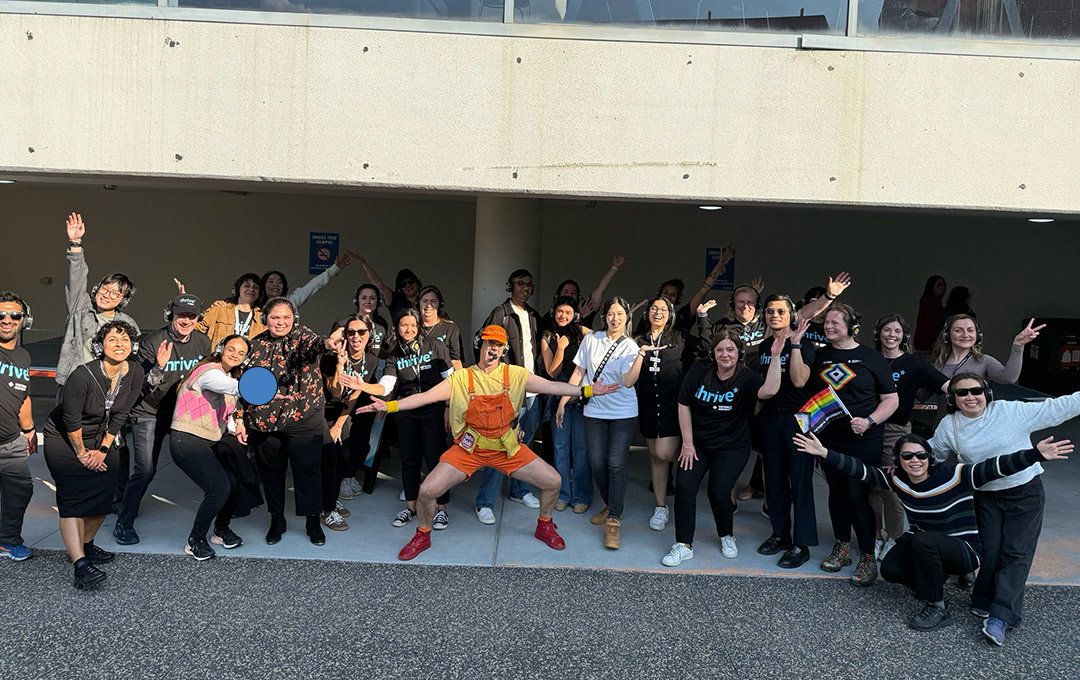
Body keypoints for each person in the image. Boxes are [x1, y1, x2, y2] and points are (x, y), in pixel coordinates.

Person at [358, 325, 620, 561]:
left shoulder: (515, 375)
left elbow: (551, 386)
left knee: (553, 481)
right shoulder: (461, 378)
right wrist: (388, 406)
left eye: (498, 345)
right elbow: (426, 397)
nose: (492, 349)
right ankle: (423, 534)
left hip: (506, 448)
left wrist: (587, 390)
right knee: (427, 491)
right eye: (488, 343)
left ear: (503, 350)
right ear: (480, 345)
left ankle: (544, 524)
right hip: (468, 450)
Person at [794, 430, 1071, 632]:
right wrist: (824, 453)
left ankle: (937, 606)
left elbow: (996, 467)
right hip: (929, 546)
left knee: (922, 540)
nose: (915, 460)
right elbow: (861, 470)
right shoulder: (897, 481)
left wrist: (1036, 455)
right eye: (907, 456)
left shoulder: (956, 475)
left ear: (930, 457)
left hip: (965, 550)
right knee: (890, 567)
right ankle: (933, 583)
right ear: (898, 460)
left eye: (921, 455)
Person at [929, 373, 1080, 645]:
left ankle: (1001, 616)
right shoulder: (950, 426)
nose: (970, 397)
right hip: (985, 496)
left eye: (976, 391)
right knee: (990, 551)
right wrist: (901, 462)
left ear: (986, 392)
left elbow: (1060, 407)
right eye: (962, 393)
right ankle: (983, 598)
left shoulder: (1011, 411)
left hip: (1025, 493)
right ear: (953, 398)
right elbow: (933, 456)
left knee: (1016, 553)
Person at [661, 330, 782, 567]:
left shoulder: (747, 377)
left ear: (739, 353)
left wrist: (776, 357)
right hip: (698, 444)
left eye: (730, 349)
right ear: (713, 353)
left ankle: (726, 535)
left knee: (718, 493)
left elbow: (769, 391)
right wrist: (687, 444)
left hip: (732, 447)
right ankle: (683, 544)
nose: (725, 354)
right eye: (719, 350)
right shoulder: (700, 370)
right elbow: (683, 403)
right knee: (685, 487)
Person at [43, 321, 144, 589]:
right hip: (65, 437)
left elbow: (122, 414)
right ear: (100, 346)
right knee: (72, 500)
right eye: (112, 340)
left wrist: (102, 450)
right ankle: (80, 565)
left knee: (103, 495)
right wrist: (82, 455)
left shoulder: (135, 372)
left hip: (101, 437)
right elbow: (71, 420)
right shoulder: (82, 375)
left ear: (133, 346)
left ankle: (85, 545)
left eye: (125, 340)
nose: (119, 344)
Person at [557, 297, 662, 549]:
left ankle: (614, 518)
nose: (615, 319)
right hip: (594, 410)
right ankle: (611, 504)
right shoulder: (591, 339)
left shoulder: (631, 346)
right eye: (611, 314)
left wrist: (640, 355)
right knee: (596, 463)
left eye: (620, 314)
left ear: (627, 317)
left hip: (623, 412)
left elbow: (628, 381)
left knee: (616, 463)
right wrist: (562, 401)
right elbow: (578, 373)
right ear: (604, 316)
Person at [809, 303, 898, 585]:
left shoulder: (871, 358)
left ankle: (868, 556)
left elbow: (891, 399)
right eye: (826, 322)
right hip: (829, 439)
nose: (829, 326)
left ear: (851, 327)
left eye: (835, 322)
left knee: (857, 494)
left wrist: (870, 421)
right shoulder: (820, 356)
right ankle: (842, 547)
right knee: (836, 493)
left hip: (863, 439)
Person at [244, 297, 344, 547]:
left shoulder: (302, 337)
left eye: (286, 317)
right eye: (275, 317)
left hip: (303, 417)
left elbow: (316, 344)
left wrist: (329, 343)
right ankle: (277, 519)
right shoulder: (254, 345)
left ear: (294, 319)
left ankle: (312, 521)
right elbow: (245, 382)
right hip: (266, 420)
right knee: (271, 473)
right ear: (265, 319)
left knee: (308, 471)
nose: (281, 322)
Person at [113, 294, 212, 545]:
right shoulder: (152, 342)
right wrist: (158, 367)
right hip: (149, 412)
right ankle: (124, 522)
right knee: (145, 470)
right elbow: (139, 388)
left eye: (191, 316)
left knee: (210, 460)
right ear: (170, 315)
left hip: (182, 412)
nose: (186, 320)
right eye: (181, 315)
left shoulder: (203, 342)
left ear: (198, 318)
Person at [871, 314, 949, 557]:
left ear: (904, 336)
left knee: (892, 487)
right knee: (869, 487)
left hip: (896, 430)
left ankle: (895, 538)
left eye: (897, 331)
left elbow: (946, 385)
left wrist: (972, 398)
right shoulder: (868, 359)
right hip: (866, 429)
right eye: (887, 330)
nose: (891, 335)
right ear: (878, 334)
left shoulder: (914, 364)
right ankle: (875, 535)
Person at [169, 335, 252, 561]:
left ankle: (220, 531)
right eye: (231, 349)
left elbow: (227, 411)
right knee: (219, 487)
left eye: (241, 353)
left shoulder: (229, 377)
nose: (235, 354)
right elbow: (229, 386)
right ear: (221, 348)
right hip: (186, 439)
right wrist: (259, 388)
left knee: (234, 483)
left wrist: (236, 427)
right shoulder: (208, 371)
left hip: (210, 441)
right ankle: (195, 540)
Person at [473, 269, 544, 522]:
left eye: (529, 285)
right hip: (508, 391)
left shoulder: (533, 316)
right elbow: (481, 343)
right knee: (498, 443)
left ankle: (519, 490)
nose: (525, 288)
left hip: (532, 392)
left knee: (523, 444)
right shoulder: (501, 313)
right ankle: (485, 502)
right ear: (509, 286)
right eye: (520, 283)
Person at [753, 295, 816, 568]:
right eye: (770, 311)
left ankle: (802, 544)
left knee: (800, 481)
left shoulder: (805, 343)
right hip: (771, 417)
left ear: (791, 314)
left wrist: (795, 344)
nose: (775, 315)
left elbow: (800, 381)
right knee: (774, 479)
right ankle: (780, 534)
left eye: (781, 311)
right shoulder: (764, 345)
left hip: (800, 417)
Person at [382, 308, 454, 530]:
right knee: (409, 460)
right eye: (404, 325)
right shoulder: (395, 353)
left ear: (419, 326)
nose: (409, 329)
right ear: (397, 327)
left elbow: (451, 381)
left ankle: (441, 509)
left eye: (413, 325)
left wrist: (448, 408)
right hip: (407, 411)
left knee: (435, 460)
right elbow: (387, 384)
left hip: (433, 410)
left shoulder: (435, 345)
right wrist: (367, 387)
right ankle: (411, 508)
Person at [57, 213, 140, 392]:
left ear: (123, 300)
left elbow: (133, 356)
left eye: (115, 293)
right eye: (105, 289)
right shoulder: (80, 308)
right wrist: (76, 244)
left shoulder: (128, 323)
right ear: (96, 288)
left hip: (111, 387)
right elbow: (77, 280)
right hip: (75, 383)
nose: (107, 295)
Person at [633, 297, 688, 532]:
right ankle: (660, 506)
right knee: (655, 456)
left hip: (672, 405)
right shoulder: (639, 339)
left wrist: (703, 319)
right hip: (647, 403)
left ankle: (684, 496)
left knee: (665, 453)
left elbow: (704, 349)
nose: (658, 312)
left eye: (663, 309)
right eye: (654, 308)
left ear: (671, 314)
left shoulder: (679, 337)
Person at [540, 296, 590, 513]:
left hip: (580, 391)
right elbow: (552, 372)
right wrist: (560, 348)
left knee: (581, 447)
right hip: (559, 388)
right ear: (554, 312)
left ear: (575, 314)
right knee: (560, 445)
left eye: (568, 312)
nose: (563, 316)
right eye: (560, 311)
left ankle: (581, 496)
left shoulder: (582, 332)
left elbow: (604, 340)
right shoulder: (547, 336)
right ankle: (562, 494)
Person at [330, 315, 386, 501]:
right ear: (345, 335)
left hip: (356, 404)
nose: (356, 336)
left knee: (362, 443)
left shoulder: (371, 361)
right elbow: (335, 392)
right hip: (333, 406)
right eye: (351, 332)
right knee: (343, 443)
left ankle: (350, 474)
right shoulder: (332, 357)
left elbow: (356, 393)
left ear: (369, 335)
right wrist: (339, 366)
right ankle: (341, 478)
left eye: (361, 332)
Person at [0, 292, 37, 561]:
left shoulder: (23, 356)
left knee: (20, 492)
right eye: (0, 314)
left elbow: (23, 395)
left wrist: (30, 430)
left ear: (25, 320)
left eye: (14, 315)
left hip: (11, 441)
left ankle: (7, 541)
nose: (7, 320)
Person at [931, 314, 1041, 392]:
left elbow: (1009, 378)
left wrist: (1018, 345)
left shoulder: (984, 361)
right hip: (945, 419)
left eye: (970, 330)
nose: (965, 335)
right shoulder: (938, 363)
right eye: (958, 330)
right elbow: (924, 395)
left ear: (978, 336)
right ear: (947, 336)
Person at [540, 252, 631, 330]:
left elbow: (600, 289)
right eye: (566, 292)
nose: (570, 295)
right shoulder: (549, 316)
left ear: (578, 296)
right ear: (558, 295)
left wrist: (614, 267)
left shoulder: (586, 308)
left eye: (573, 293)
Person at [261, 250, 356, 309]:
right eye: (271, 281)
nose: (275, 285)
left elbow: (314, 285)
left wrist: (334, 269)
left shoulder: (291, 301)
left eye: (280, 282)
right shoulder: (256, 304)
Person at [198, 273, 266, 349]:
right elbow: (197, 329)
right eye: (247, 286)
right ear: (238, 289)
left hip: (247, 356)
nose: (251, 289)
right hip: (219, 356)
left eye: (256, 287)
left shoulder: (262, 317)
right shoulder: (219, 309)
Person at [354, 253, 423, 320]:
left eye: (411, 282)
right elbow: (380, 285)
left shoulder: (426, 299)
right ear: (400, 288)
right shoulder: (395, 301)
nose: (408, 286)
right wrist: (364, 263)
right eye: (403, 285)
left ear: (417, 283)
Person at [417, 285, 465, 371]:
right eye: (424, 301)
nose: (428, 305)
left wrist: (460, 378)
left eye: (433, 301)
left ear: (440, 304)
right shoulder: (411, 328)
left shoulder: (450, 328)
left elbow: (456, 360)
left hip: (443, 376)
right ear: (418, 304)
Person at [353, 283, 391, 358]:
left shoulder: (381, 325)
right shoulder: (345, 323)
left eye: (372, 298)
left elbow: (380, 351)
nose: (368, 302)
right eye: (364, 298)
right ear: (357, 301)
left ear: (378, 302)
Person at [913, 275, 947, 353]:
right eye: (939, 285)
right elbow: (932, 324)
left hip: (927, 343)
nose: (943, 287)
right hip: (929, 343)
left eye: (943, 285)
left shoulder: (929, 302)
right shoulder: (931, 303)